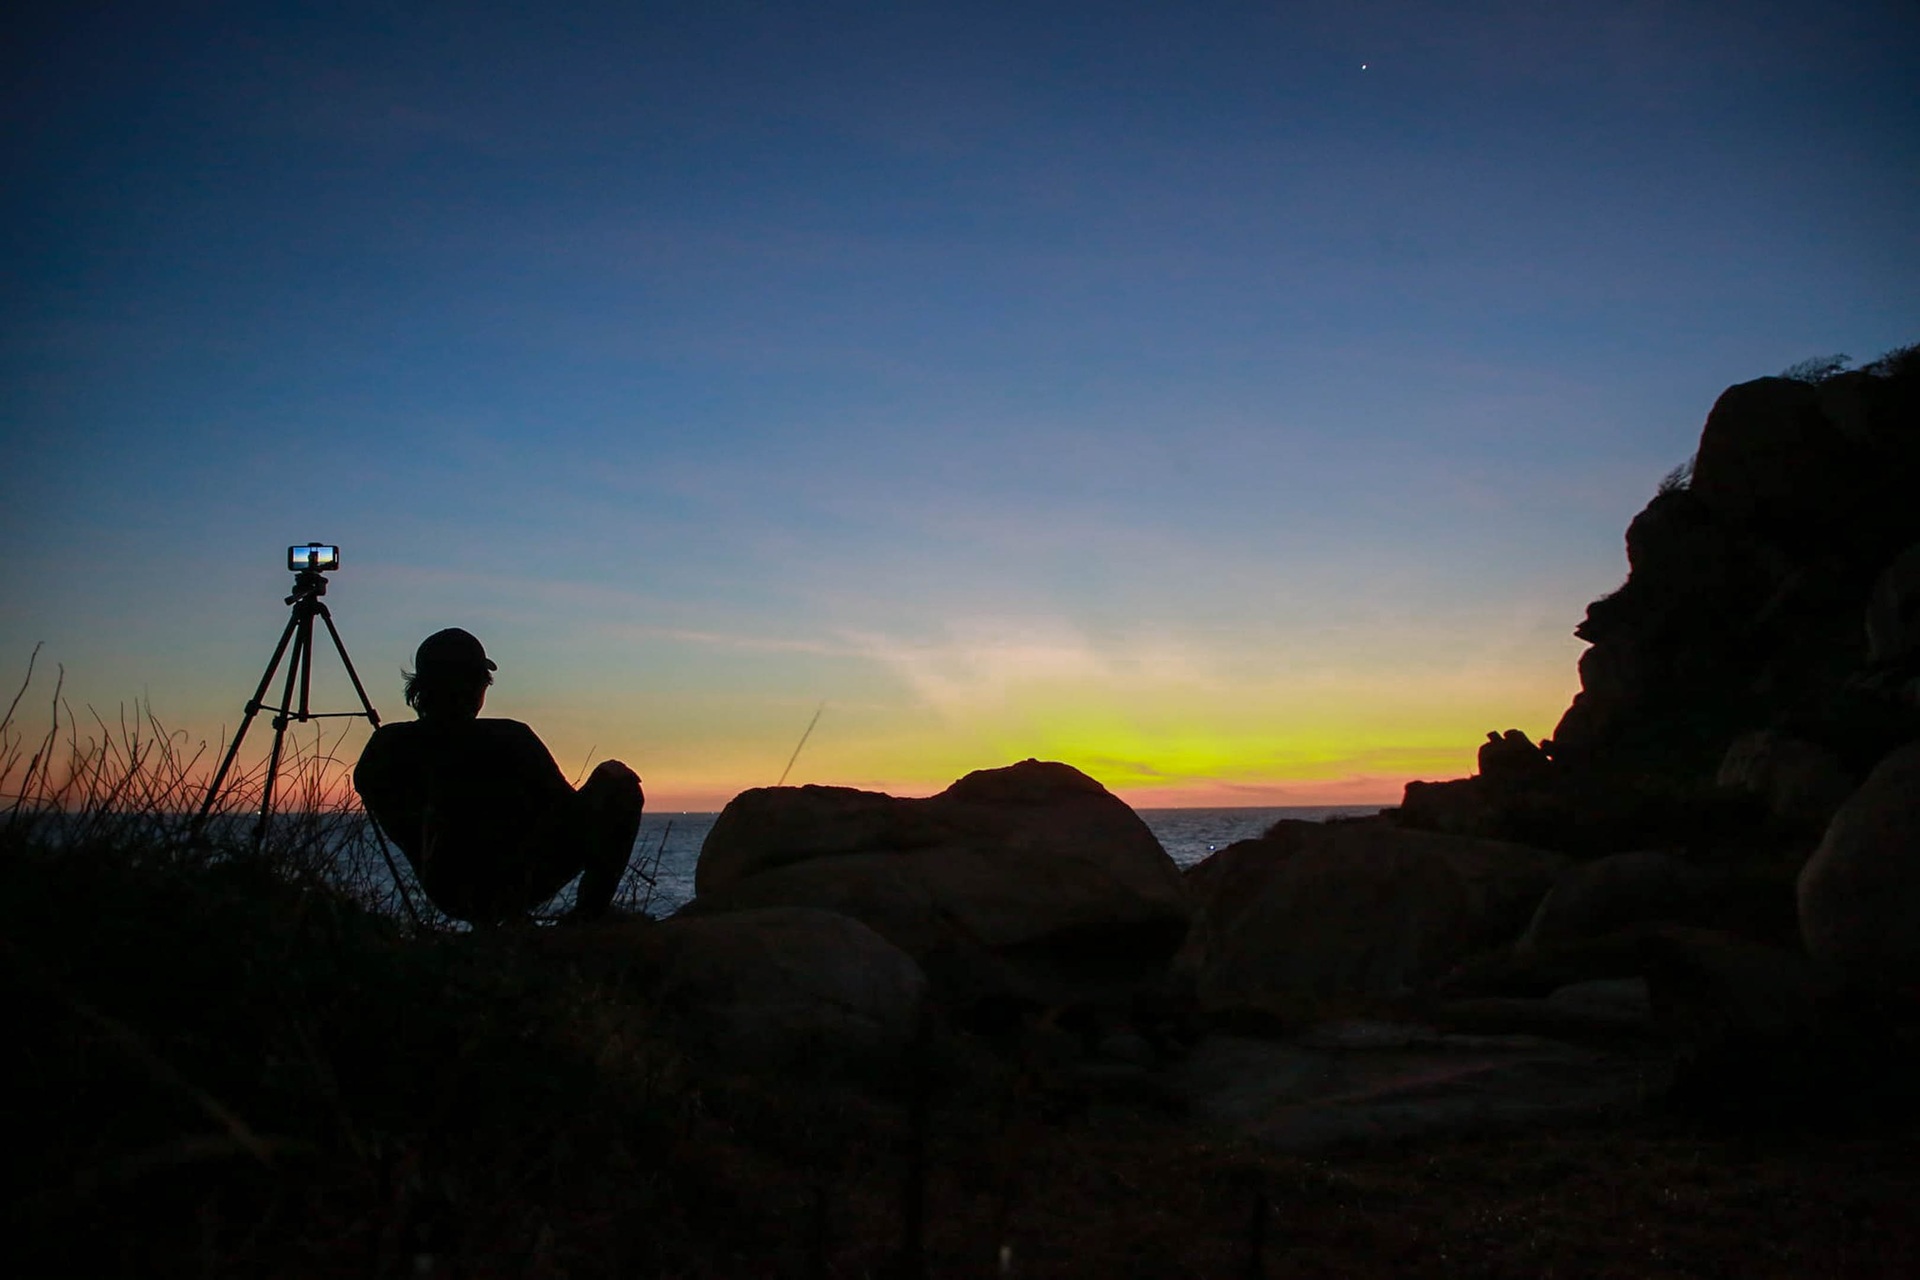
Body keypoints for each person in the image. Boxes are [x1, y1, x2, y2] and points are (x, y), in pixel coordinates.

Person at [354, 628, 644, 925]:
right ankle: (587, 917)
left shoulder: (386, 746)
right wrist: (606, 777)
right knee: (620, 785)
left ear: (420, 687)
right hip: (520, 880)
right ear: (478, 685)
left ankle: (501, 920)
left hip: (447, 890)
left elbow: (386, 805)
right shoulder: (510, 736)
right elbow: (567, 813)